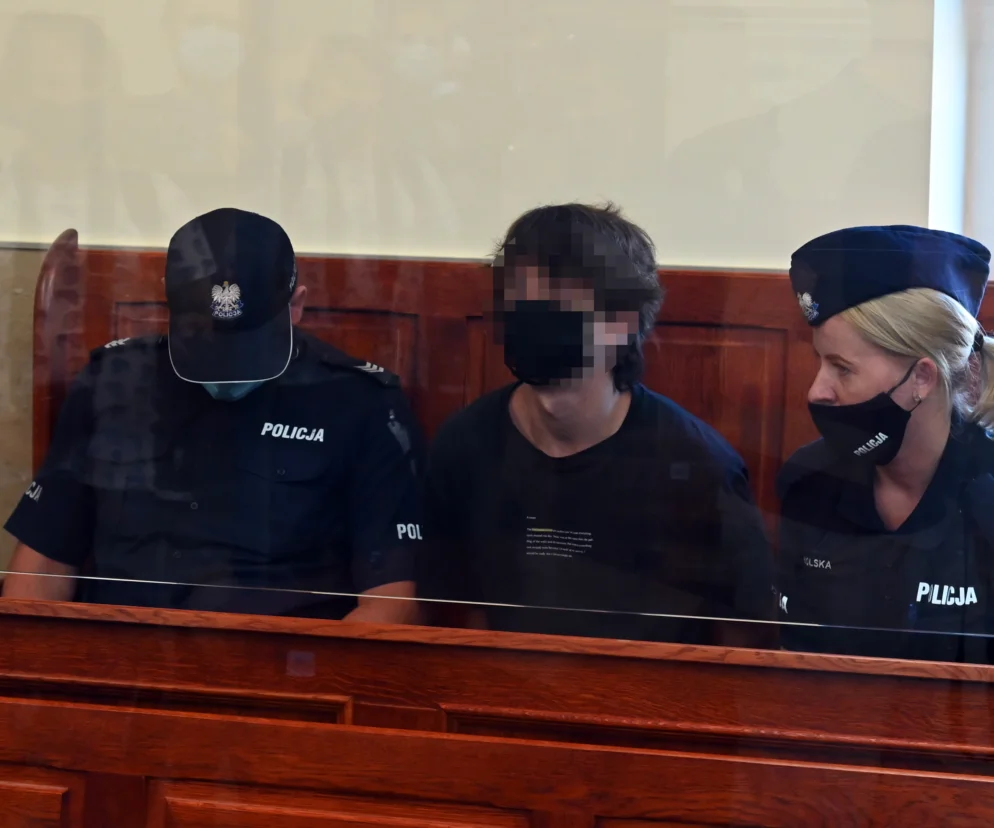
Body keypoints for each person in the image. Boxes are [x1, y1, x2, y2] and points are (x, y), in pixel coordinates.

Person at [2, 208, 424, 623]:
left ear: (296, 306)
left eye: (247, 351)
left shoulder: (359, 402)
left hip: (281, 653)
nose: (225, 377)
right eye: (203, 341)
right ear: (166, 298)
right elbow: (42, 566)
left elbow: (392, 602)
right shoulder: (112, 383)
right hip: (123, 646)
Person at [417, 202, 775, 645]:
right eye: (517, 298)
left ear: (622, 324)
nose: (529, 317)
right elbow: (453, 608)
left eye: (556, 300)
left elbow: (745, 638)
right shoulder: (465, 443)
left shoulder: (699, 465)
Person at [777, 225, 994, 663]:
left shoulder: (985, 495)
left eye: (842, 368)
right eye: (820, 362)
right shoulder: (809, 482)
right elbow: (791, 657)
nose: (816, 390)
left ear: (921, 378)